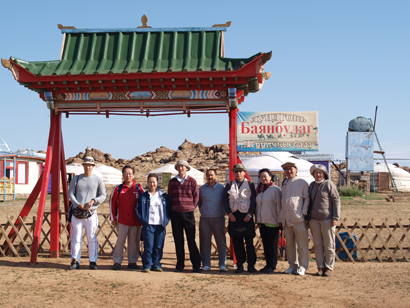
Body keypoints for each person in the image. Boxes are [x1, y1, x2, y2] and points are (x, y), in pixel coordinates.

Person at [68, 156, 107, 270]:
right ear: (83, 166)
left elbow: (103, 195)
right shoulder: (76, 179)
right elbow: (71, 193)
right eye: (85, 165)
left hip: (91, 213)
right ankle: (75, 260)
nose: (87, 167)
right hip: (77, 213)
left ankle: (93, 261)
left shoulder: (97, 179)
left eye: (90, 165)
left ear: (93, 166)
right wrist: (77, 203)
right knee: (76, 237)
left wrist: (93, 200)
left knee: (91, 237)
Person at [168, 160, 201, 273]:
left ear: (187, 168)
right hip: (175, 213)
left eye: (183, 167)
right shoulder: (172, 182)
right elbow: (170, 197)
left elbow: (196, 196)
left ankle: (196, 265)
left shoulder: (192, 181)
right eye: (179, 167)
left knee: (191, 239)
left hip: (188, 213)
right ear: (177, 168)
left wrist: (191, 207)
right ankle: (179, 265)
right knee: (178, 240)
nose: (181, 168)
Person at [308, 164, 341, 277]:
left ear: (324, 174)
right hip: (314, 220)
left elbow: (336, 200)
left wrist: (335, 217)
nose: (318, 174)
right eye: (316, 172)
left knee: (329, 244)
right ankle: (320, 267)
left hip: (327, 219)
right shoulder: (311, 186)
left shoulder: (328, 184)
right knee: (317, 244)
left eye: (320, 172)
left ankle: (328, 267)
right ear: (313, 174)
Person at [223, 164, 257, 273]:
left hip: (246, 216)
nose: (238, 173)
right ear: (233, 173)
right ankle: (240, 264)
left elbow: (253, 201)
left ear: (244, 172)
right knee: (237, 242)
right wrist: (229, 213)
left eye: (240, 171)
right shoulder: (229, 185)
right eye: (236, 172)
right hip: (234, 216)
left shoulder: (250, 184)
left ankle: (251, 265)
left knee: (249, 243)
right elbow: (225, 201)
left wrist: (250, 214)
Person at [110, 165, 144, 270]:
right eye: (125, 173)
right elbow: (112, 203)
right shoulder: (118, 188)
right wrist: (113, 218)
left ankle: (132, 262)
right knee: (120, 241)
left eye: (130, 173)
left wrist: (143, 219)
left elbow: (144, 204)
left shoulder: (138, 188)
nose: (128, 175)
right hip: (122, 221)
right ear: (123, 175)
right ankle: (117, 261)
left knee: (134, 241)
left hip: (136, 221)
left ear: (133, 175)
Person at [280, 161, 309, 276]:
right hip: (287, 219)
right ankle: (292, 265)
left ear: (296, 170)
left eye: (291, 169)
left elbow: (307, 198)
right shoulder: (284, 183)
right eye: (286, 169)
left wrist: (303, 212)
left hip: (298, 218)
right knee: (290, 244)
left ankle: (303, 266)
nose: (289, 171)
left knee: (302, 244)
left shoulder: (302, 182)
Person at [136, 173, 171, 272]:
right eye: (150, 182)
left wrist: (166, 220)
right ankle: (147, 265)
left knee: (159, 245)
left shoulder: (163, 196)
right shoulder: (143, 196)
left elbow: (169, 209)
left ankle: (156, 264)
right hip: (149, 224)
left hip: (160, 224)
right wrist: (143, 220)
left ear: (157, 183)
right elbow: (137, 209)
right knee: (148, 245)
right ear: (147, 183)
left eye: (154, 182)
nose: (152, 184)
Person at [198, 169, 227, 272]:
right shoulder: (201, 189)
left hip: (218, 218)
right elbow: (199, 202)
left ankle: (222, 264)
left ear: (216, 176)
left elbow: (225, 201)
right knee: (205, 242)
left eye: (212, 175)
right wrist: (203, 210)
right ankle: (206, 264)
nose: (210, 177)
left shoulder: (222, 188)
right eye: (208, 175)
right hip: (205, 218)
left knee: (221, 242)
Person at [255, 168, 282, 273]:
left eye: (265, 176)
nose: (263, 178)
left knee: (272, 245)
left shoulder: (275, 190)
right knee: (266, 244)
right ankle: (267, 264)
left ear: (270, 177)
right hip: (262, 222)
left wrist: (280, 220)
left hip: (273, 221)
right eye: (261, 176)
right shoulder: (259, 190)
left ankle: (272, 265)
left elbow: (279, 206)